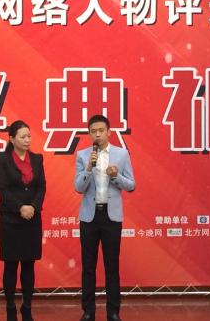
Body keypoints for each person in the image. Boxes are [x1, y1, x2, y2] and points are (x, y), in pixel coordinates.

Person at [75, 115, 136, 321]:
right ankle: (88, 311)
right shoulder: (83, 155)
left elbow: (131, 185)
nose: (98, 134)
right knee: (88, 267)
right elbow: (78, 187)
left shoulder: (121, 154)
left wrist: (115, 176)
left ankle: (113, 312)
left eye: (101, 130)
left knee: (112, 266)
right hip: (89, 217)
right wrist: (88, 168)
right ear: (89, 133)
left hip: (111, 217)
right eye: (93, 131)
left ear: (109, 132)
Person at [0, 120, 46, 321]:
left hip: (32, 219)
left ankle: (27, 307)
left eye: (29, 136)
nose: (27, 140)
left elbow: (41, 186)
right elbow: (3, 189)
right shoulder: (2, 159)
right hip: (10, 219)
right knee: (10, 265)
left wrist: (33, 206)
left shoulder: (37, 159)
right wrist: (20, 208)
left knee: (28, 265)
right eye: (23, 136)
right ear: (12, 139)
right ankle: (10, 308)